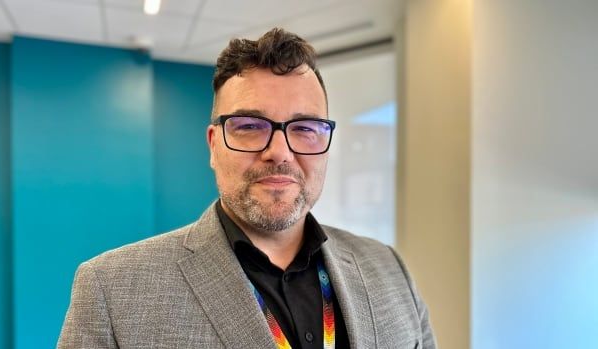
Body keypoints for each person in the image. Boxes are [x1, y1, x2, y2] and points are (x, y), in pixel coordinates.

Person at [58, 28, 436, 349]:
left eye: (304, 128)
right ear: (213, 144)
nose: (279, 152)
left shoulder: (390, 269)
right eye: (250, 126)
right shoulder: (112, 290)